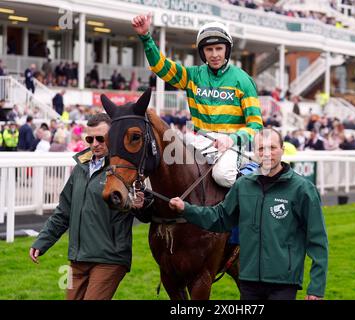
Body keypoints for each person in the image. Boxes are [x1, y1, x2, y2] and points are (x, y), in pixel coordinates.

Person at [169, 128, 328, 300]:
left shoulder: (303, 189)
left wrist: (316, 288)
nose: (266, 153)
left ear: (282, 149)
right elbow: (220, 218)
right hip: (248, 283)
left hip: (283, 284)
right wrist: (185, 209)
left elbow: (317, 241)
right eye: (261, 148)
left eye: (272, 148)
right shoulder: (243, 185)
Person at [132, 14, 263, 188]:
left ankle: (251, 196)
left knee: (223, 175)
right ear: (202, 52)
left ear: (227, 49)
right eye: (209, 50)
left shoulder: (243, 80)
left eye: (219, 48)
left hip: (231, 144)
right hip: (199, 140)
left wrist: (232, 139)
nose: (215, 54)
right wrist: (146, 37)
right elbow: (160, 67)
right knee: (161, 165)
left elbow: (256, 125)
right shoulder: (192, 76)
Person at [29, 113, 149, 300]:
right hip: (77, 258)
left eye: (101, 138)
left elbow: (145, 209)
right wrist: (42, 241)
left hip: (109, 259)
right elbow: (63, 212)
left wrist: (141, 204)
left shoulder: (124, 169)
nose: (95, 144)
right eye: (90, 138)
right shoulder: (80, 168)